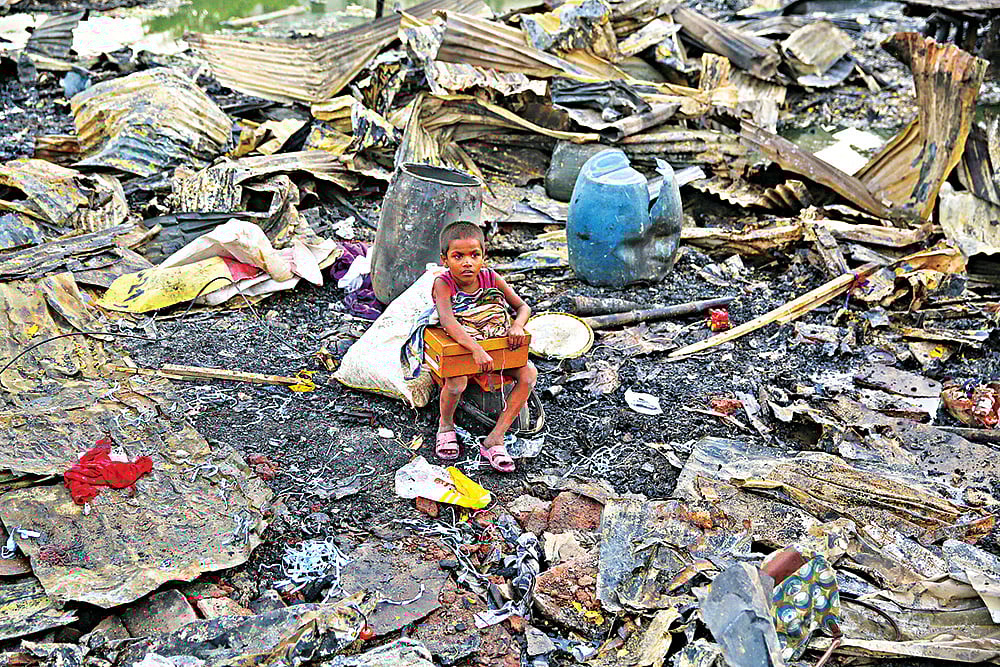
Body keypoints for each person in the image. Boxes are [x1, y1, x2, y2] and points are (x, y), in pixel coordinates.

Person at [400, 221, 537, 472]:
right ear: (444, 259)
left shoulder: (491, 277)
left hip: (491, 339)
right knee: (457, 382)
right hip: (462, 342)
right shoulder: (443, 284)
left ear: (484, 256)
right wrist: (476, 350)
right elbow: (448, 321)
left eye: (474, 255)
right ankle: (446, 425)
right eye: (458, 256)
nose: (467, 263)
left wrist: (517, 325)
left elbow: (523, 307)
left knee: (529, 374)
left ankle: (496, 437)